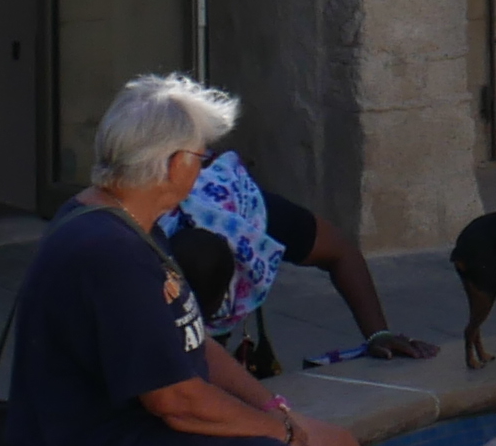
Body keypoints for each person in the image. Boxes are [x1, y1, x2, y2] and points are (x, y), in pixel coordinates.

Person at [1, 72, 397, 446]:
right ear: (172, 164)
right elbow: (178, 401)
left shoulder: (127, 220)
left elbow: (191, 339)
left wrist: (274, 409)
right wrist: (276, 433)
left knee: (334, 445)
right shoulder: (110, 250)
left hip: (128, 431)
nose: (204, 167)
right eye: (200, 157)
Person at [157, 141, 432, 364]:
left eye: (214, 320)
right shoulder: (129, 240)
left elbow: (341, 253)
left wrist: (378, 334)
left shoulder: (245, 214)